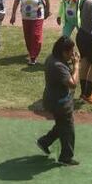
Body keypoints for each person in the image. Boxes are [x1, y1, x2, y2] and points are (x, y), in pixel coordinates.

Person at [36, 36, 79, 166]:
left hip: (52, 99)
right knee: (68, 128)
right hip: (59, 103)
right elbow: (73, 84)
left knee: (62, 125)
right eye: (71, 51)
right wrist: (77, 66)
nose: (73, 54)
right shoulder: (58, 66)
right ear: (64, 52)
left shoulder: (52, 58)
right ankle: (66, 157)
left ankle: (44, 142)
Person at [10, 0, 50, 65]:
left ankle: (33, 56)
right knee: (28, 37)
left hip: (38, 16)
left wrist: (47, 10)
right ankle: (31, 52)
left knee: (36, 36)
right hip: (26, 16)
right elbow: (16, 2)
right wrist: (13, 15)